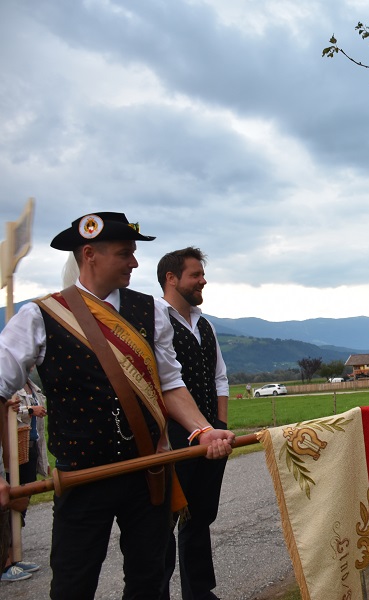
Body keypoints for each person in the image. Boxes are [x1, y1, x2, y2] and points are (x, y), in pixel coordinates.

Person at [0, 211, 235, 599]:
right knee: (74, 584)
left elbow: (171, 384)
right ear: (89, 253)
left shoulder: (152, 311)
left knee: (149, 581)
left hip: (148, 472)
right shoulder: (40, 316)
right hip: (82, 478)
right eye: (125, 253)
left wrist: (203, 428)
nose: (136, 262)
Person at [157, 247, 229, 600]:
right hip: (173, 438)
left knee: (200, 516)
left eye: (202, 274)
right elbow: (163, 382)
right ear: (171, 279)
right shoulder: (156, 318)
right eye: (195, 274)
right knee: (166, 520)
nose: (203, 280)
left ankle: (198, 592)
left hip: (211, 434)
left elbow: (220, 378)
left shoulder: (206, 323)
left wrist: (219, 423)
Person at [2, 372, 48, 582]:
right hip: (12, 448)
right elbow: (9, 410)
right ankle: (6, 560)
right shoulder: (8, 382)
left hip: (29, 447)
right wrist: (29, 409)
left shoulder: (31, 385)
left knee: (23, 498)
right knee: (9, 499)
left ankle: (16, 553)